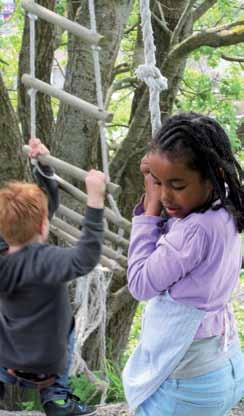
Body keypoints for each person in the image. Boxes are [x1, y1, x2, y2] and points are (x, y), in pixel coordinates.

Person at [122, 112, 244, 416]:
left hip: (188, 385)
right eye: (158, 183)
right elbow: (178, 236)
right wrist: (160, 175)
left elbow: (139, 284)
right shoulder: (223, 205)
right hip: (222, 366)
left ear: (211, 174)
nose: (164, 195)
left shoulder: (194, 230)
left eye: (176, 184)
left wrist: (149, 211)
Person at [0, 140, 106, 416]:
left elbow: (39, 212)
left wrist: (44, 166)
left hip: (9, 360)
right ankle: (56, 397)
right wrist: (95, 201)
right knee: (66, 322)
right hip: (47, 363)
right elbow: (86, 257)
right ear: (44, 225)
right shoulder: (52, 260)